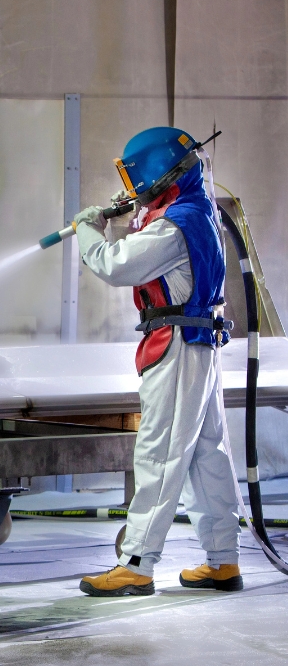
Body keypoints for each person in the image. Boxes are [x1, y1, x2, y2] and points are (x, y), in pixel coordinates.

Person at [75, 127, 242, 597]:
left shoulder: (174, 225)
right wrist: (134, 215)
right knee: (208, 456)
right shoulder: (193, 212)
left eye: (137, 181)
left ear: (158, 174)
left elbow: (116, 265)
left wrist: (90, 230)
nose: (133, 191)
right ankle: (223, 561)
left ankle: (136, 563)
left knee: (160, 454)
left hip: (178, 347)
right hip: (198, 344)